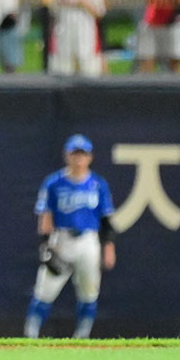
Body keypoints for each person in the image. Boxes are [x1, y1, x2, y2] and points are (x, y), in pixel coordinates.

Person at [23, 134, 116, 340]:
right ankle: (30, 335)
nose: (78, 158)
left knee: (89, 292)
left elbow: (106, 220)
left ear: (90, 157)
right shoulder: (54, 182)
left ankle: (82, 337)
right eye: (75, 154)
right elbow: (46, 215)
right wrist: (45, 244)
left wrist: (109, 247)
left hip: (89, 240)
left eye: (82, 154)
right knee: (44, 291)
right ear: (67, 156)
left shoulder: (98, 184)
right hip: (62, 239)